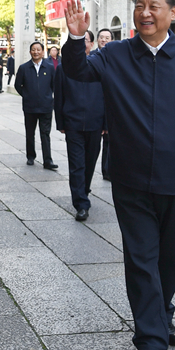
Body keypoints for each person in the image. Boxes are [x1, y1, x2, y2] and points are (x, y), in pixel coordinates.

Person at [62, 0, 175, 350]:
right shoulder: (114, 54)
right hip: (130, 176)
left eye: (154, 7)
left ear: (173, 13)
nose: (145, 13)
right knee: (140, 257)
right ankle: (151, 338)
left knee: (171, 255)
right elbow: (78, 72)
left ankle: (162, 313)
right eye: (140, 6)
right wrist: (75, 38)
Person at [54, 30, 103, 221]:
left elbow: (108, 97)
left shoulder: (100, 66)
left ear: (91, 44)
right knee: (76, 165)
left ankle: (84, 189)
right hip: (73, 123)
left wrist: (106, 123)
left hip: (95, 122)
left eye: (86, 41)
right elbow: (59, 96)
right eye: (79, 41)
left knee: (90, 162)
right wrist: (61, 121)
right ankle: (81, 203)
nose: (83, 45)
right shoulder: (63, 68)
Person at [14, 42, 57, 170]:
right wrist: (27, 96)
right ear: (30, 52)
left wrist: (48, 97)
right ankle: (31, 156)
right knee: (30, 133)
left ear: (43, 52)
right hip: (30, 107)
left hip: (46, 107)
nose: (36, 52)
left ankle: (47, 160)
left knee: (45, 134)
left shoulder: (49, 67)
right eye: (33, 50)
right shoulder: (24, 68)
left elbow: (54, 85)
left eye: (38, 49)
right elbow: (18, 85)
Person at [96, 28, 114, 181]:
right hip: (95, 105)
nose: (104, 40)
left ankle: (107, 170)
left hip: (111, 104)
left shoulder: (115, 57)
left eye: (107, 37)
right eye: (102, 37)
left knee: (109, 140)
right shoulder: (93, 57)